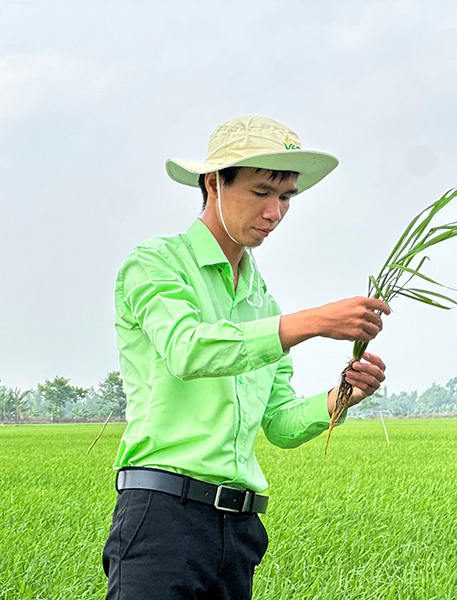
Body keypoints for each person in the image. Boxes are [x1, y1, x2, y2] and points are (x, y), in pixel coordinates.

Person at [103, 115, 390, 600]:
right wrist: (313, 322)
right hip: (162, 515)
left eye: (286, 197)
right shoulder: (155, 263)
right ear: (214, 183)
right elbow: (187, 349)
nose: (275, 212)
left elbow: (278, 424)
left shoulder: (262, 303)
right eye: (261, 192)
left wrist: (343, 395)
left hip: (239, 530)